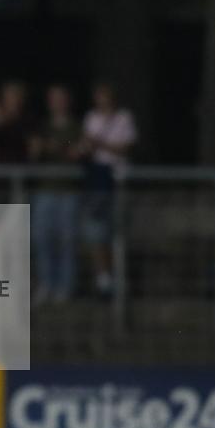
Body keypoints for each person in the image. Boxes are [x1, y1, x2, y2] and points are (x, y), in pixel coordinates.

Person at [77, 82, 137, 297]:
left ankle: (118, 276)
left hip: (118, 179)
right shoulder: (91, 118)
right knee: (97, 229)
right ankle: (104, 278)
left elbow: (125, 147)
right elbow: (85, 146)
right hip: (97, 178)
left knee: (117, 229)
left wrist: (99, 144)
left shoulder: (124, 118)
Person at [31, 85, 82, 304]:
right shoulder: (42, 126)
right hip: (45, 190)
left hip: (69, 191)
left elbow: (77, 150)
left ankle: (65, 287)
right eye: (53, 98)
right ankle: (46, 284)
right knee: (42, 239)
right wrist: (46, 147)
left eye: (61, 98)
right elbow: (35, 150)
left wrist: (56, 147)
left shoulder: (76, 126)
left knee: (67, 240)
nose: (57, 102)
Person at [0, 80, 33, 164]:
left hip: (20, 167)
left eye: (15, 95)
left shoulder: (27, 121)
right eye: (8, 96)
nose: (12, 100)